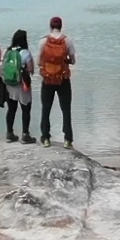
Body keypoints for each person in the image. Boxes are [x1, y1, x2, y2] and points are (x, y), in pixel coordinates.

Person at [38, 15, 76, 148]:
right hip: (63, 79)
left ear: (50, 26)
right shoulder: (67, 40)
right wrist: (64, 61)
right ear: (61, 26)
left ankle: (46, 137)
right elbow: (73, 60)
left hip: (48, 78)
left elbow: (39, 61)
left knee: (46, 109)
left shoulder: (44, 41)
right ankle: (68, 139)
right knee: (66, 109)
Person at [1, 28, 34, 143]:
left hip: (9, 85)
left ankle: (9, 133)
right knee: (26, 109)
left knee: (11, 109)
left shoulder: (7, 51)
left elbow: (2, 67)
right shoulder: (25, 52)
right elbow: (30, 69)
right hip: (22, 85)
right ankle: (25, 135)